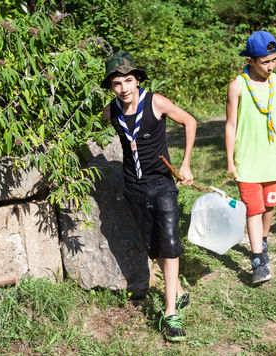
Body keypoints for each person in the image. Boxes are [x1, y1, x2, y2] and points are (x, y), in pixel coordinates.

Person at [101, 52, 197, 342]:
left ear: (138, 80)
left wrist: (186, 163)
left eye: (128, 80)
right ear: (111, 87)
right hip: (133, 187)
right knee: (153, 246)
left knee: (169, 242)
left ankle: (170, 313)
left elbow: (190, 122)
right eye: (117, 84)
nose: (124, 88)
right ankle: (177, 290)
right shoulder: (111, 112)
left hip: (161, 183)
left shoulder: (156, 102)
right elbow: (97, 130)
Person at [225, 31, 276, 285]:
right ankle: (258, 260)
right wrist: (230, 160)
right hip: (247, 161)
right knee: (253, 209)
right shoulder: (237, 86)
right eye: (265, 62)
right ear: (250, 60)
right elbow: (230, 124)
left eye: (274, 60)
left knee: (270, 206)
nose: (271, 66)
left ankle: (262, 239)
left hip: (272, 160)